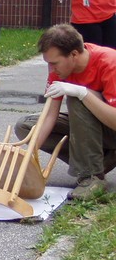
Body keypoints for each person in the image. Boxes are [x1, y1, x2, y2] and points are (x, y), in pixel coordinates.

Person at [14, 24, 116, 200]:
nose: (51, 69)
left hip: (111, 130)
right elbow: (49, 116)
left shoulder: (110, 63)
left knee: (76, 98)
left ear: (74, 54)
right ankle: (99, 161)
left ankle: (92, 176)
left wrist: (83, 93)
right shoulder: (59, 70)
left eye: (54, 63)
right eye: (48, 63)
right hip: (95, 133)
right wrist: (26, 159)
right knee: (26, 127)